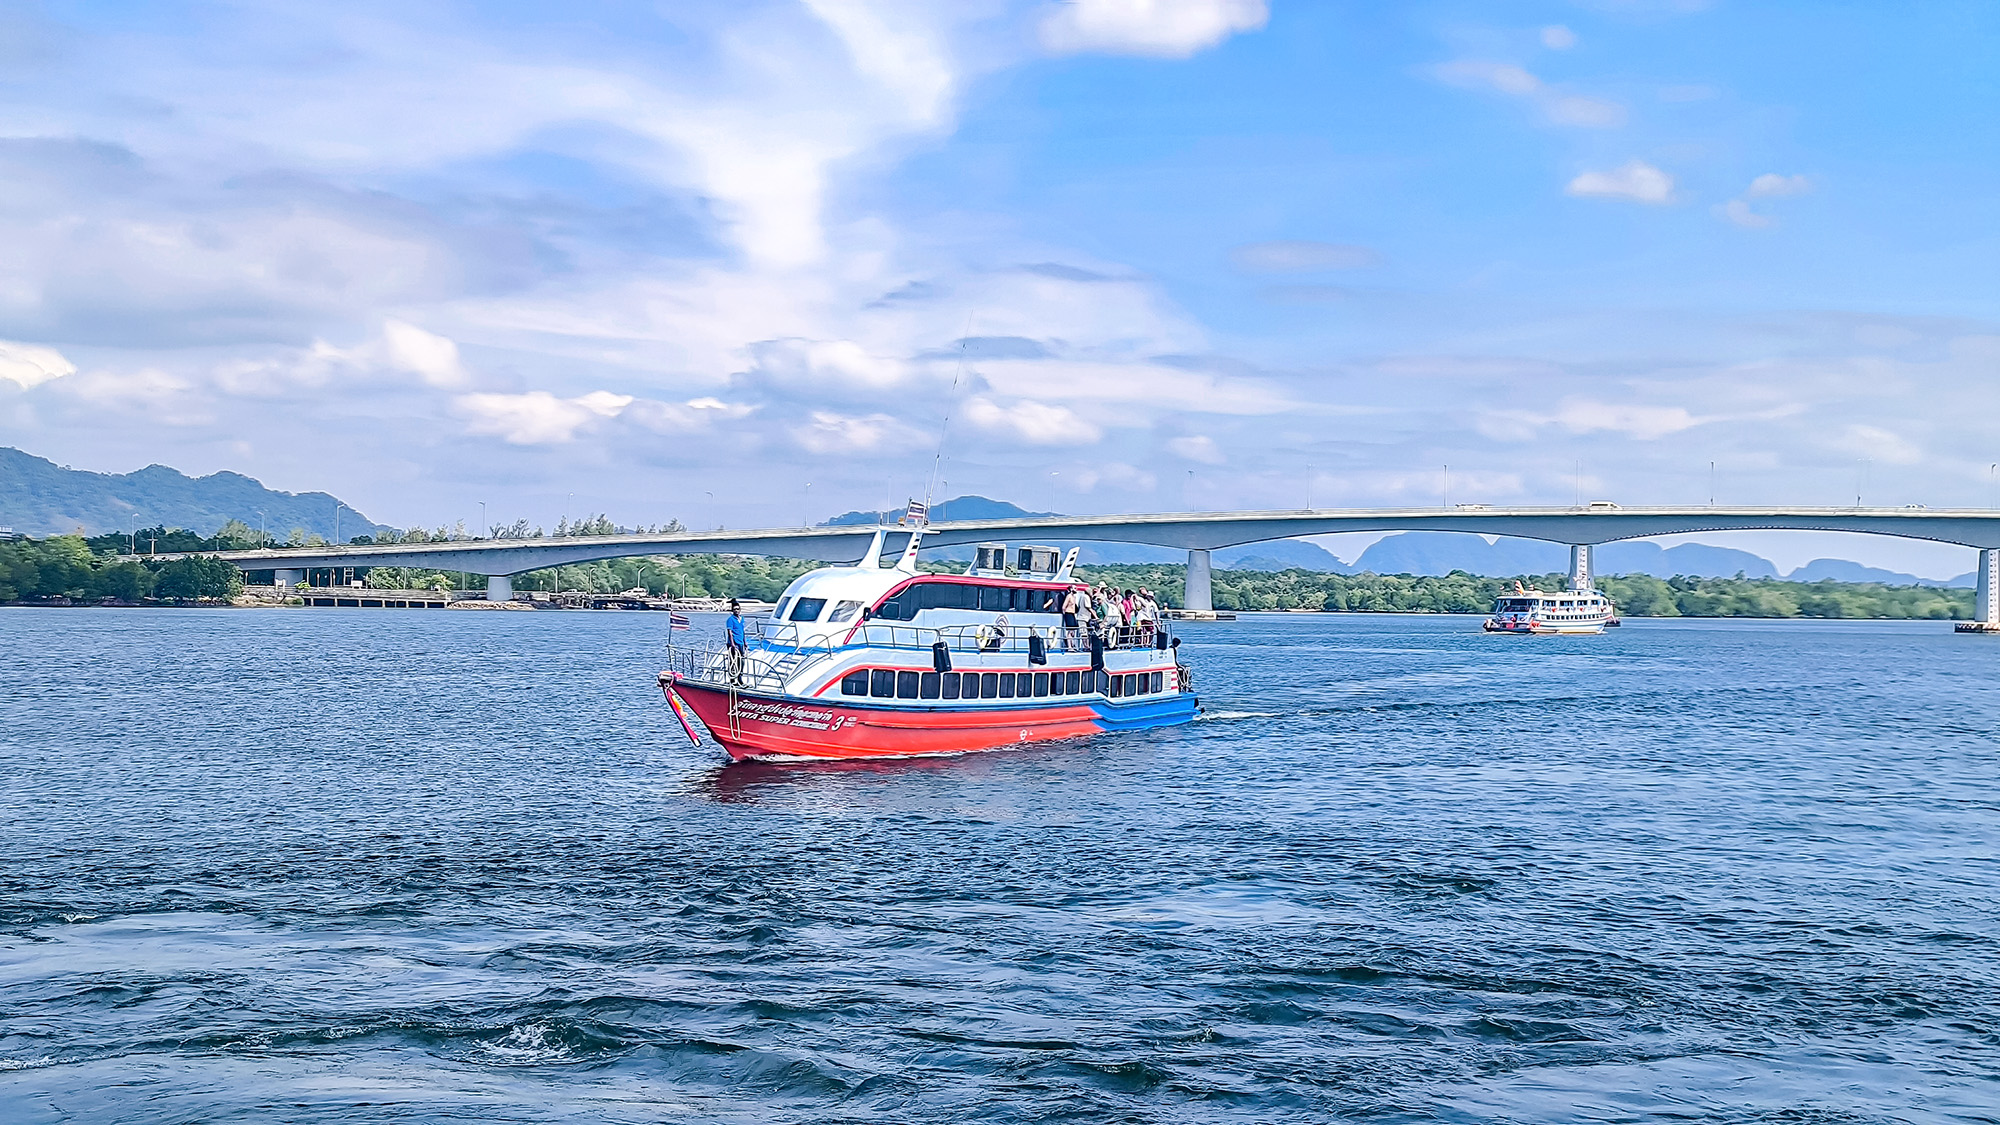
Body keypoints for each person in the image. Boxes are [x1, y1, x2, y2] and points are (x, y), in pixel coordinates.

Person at [724, 598, 746, 683]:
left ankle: (740, 677)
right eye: (734, 610)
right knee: (733, 660)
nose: (736, 611)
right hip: (733, 643)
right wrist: (732, 644)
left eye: (737, 609)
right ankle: (732, 679)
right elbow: (730, 632)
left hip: (740, 642)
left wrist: (745, 642)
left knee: (741, 660)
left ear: (740, 610)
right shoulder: (730, 620)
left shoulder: (742, 619)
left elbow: (743, 630)